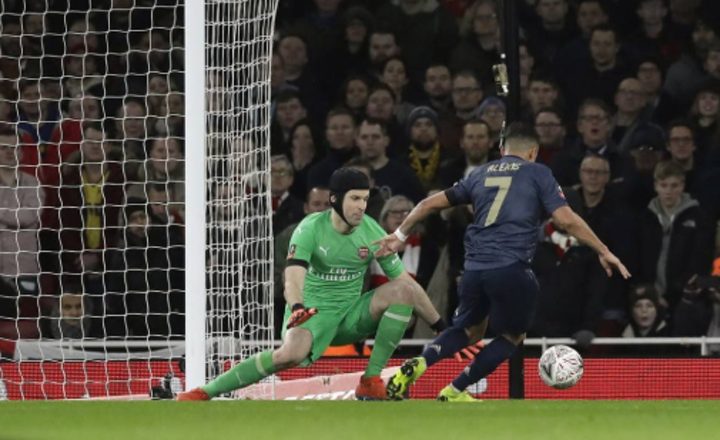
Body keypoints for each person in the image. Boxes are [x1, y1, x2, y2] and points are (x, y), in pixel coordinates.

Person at [373, 122, 630, 402]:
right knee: (512, 336)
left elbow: (426, 204)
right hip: (512, 268)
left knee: (468, 332)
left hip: (473, 269)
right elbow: (566, 220)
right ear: (533, 152)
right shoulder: (538, 172)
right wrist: (603, 250)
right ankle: (454, 390)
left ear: (502, 149)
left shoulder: (479, 173)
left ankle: (420, 363)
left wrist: (399, 235)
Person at [178, 168, 449, 402]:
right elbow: (292, 276)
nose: (362, 206)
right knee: (288, 355)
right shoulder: (310, 228)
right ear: (335, 199)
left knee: (403, 290)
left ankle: (371, 380)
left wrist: (441, 327)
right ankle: (205, 392)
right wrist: (297, 306)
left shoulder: (372, 231)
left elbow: (406, 283)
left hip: (352, 315)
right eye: (355, 199)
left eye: (365, 199)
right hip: (311, 313)